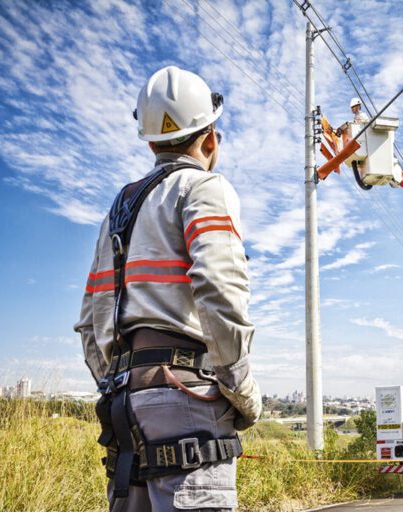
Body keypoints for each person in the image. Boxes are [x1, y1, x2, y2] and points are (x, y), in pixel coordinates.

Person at [74, 65, 262, 512]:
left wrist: (117, 381)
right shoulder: (205, 188)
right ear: (210, 139)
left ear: (151, 143)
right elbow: (219, 291)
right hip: (187, 398)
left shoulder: (118, 210)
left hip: (124, 403)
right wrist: (241, 389)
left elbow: (89, 323)